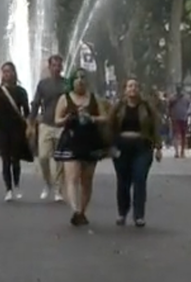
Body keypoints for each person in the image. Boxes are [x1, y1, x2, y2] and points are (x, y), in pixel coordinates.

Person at [53, 70, 109, 226]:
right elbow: (56, 120)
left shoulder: (93, 98)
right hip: (71, 140)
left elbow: (105, 117)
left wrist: (92, 118)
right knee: (72, 178)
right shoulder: (64, 99)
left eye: (83, 78)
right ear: (72, 82)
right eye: (76, 78)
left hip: (90, 141)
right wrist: (68, 118)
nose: (80, 81)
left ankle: (83, 211)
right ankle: (75, 210)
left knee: (87, 179)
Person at [108, 79, 162, 227]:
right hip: (122, 147)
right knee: (123, 182)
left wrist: (158, 148)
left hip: (142, 147)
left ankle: (139, 215)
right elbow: (109, 127)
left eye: (136, 86)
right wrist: (111, 146)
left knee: (139, 179)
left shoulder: (147, 107)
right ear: (125, 89)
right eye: (130, 86)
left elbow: (155, 127)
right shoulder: (118, 107)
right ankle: (122, 212)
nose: (133, 89)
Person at [0, 62, 32, 201]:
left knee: (15, 159)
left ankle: (17, 184)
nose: (6, 74)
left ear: (14, 73)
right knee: (5, 159)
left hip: (17, 128)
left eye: (9, 71)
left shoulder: (21, 91)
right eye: (4, 71)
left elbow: (26, 111)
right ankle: (8, 189)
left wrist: (30, 127)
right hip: (2, 128)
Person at [29, 55, 67, 202]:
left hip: (62, 125)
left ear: (62, 67)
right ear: (49, 67)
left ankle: (58, 189)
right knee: (43, 157)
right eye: (54, 65)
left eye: (59, 65)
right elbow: (36, 103)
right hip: (46, 123)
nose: (56, 68)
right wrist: (31, 122)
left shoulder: (67, 84)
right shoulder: (43, 84)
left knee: (60, 159)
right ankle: (47, 183)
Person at [168, 86, 190, 158]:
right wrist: (169, 115)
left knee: (183, 135)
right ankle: (176, 151)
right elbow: (169, 107)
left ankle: (182, 152)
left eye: (180, 90)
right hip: (175, 118)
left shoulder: (186, 98)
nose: (179, 91)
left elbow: (188, 106)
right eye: (178, 90)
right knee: (176, 134)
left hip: (184, 118)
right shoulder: (172, 98)